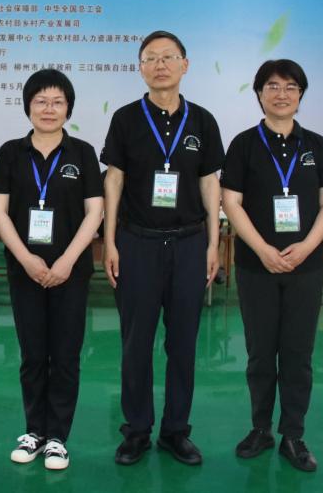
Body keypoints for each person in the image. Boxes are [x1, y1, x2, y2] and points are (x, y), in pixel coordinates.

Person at [100, 30, 224, 466]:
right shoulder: (125, 119)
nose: (160, 65)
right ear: (140, 68)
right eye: (150, 58)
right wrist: (109, 241)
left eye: (168, 57)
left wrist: (213, 242)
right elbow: (114, 181)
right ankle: (136, 430)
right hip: (137, 243)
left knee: (184, 343)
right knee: (136, 343)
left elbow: (210, 184)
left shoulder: (203, 121)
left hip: (190, 243)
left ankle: (176, 431)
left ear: (185, 65)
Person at [220, 59, 323, 472]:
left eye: (291, 87)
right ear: (259, 94)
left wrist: (307, 247)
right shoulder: (243, 145)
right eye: (272, 86)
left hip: (305, 268)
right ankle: (260, 428)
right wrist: (262, 250)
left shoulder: (317, 146)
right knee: (259, 353)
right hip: (256, 267)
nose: (281, 94)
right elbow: (231, 202)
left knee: (297, 354)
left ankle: (293, 434)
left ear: (301, 94)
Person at [0, 69, 104, 471]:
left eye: (57, 102)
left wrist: (67, 260)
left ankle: (57, 437)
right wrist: (26, 258)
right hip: (26, 269)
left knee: (66, 354)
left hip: (71, 270)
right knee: (33, 353)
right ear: (28, 106)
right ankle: (34, 431)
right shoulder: (10, 152)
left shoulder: (83, 153)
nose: (49, 109)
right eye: (40, 101)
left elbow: (95, 212)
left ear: (68, 108)